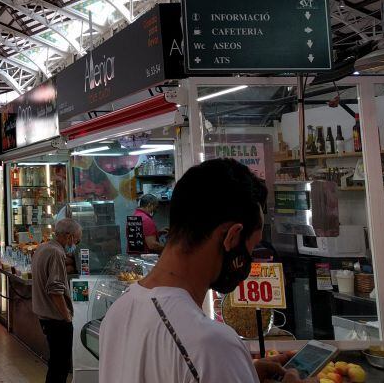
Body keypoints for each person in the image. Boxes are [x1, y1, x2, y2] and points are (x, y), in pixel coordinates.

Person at [98, 159, 305, 383]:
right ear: (232, 237)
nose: (249, 257)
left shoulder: (118, 312)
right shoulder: (212, 344)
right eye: (252, 246)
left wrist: (242, 373)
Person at [32, 218, 82, 382]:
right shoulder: (56, 252)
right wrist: (66, 317)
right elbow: (55, 290)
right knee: (60, 367)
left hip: (45, 317)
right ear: (68, 237)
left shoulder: (43, 248)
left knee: (55, 364)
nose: (75, 244)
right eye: (77, 240)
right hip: (56, 319)